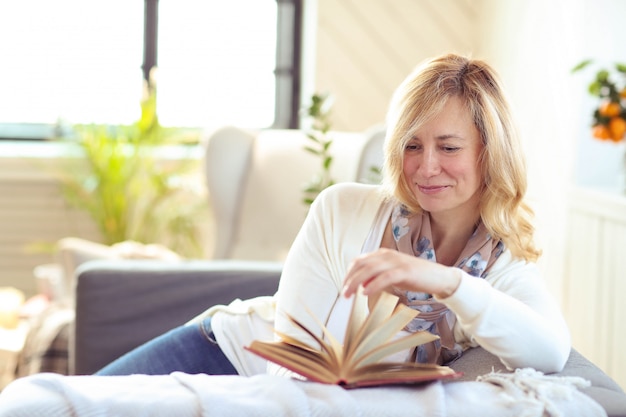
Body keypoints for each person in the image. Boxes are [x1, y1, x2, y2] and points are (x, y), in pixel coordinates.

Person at [97, 53, 571, 377]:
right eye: (411, 145)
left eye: (448, 147)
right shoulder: (344, 209)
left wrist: (446, 282)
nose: (426, 167)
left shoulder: (502, 260)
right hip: (228, 354)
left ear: (490, 154)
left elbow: (550, 352)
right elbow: (289, 365)